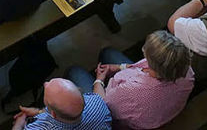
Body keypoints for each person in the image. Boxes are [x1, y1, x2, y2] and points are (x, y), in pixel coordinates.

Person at [66, 31, 194, 130]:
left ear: (152, 63)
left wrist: (99, 80)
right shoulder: (186, 70)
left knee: (75, 72)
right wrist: (118, 67)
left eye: (146, 54)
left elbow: (102, 104)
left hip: (122, 120)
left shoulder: (130, 90)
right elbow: (141, 67)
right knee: (108, 53)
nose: (143, 50)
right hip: (161, 113)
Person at [10, 77, 112, 130]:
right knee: (75, 71)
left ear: (53, 114)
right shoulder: (97, 102)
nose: (45, 83)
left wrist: (18, 124)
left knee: (73, 70)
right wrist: (39, 112)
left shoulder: (37, 128)